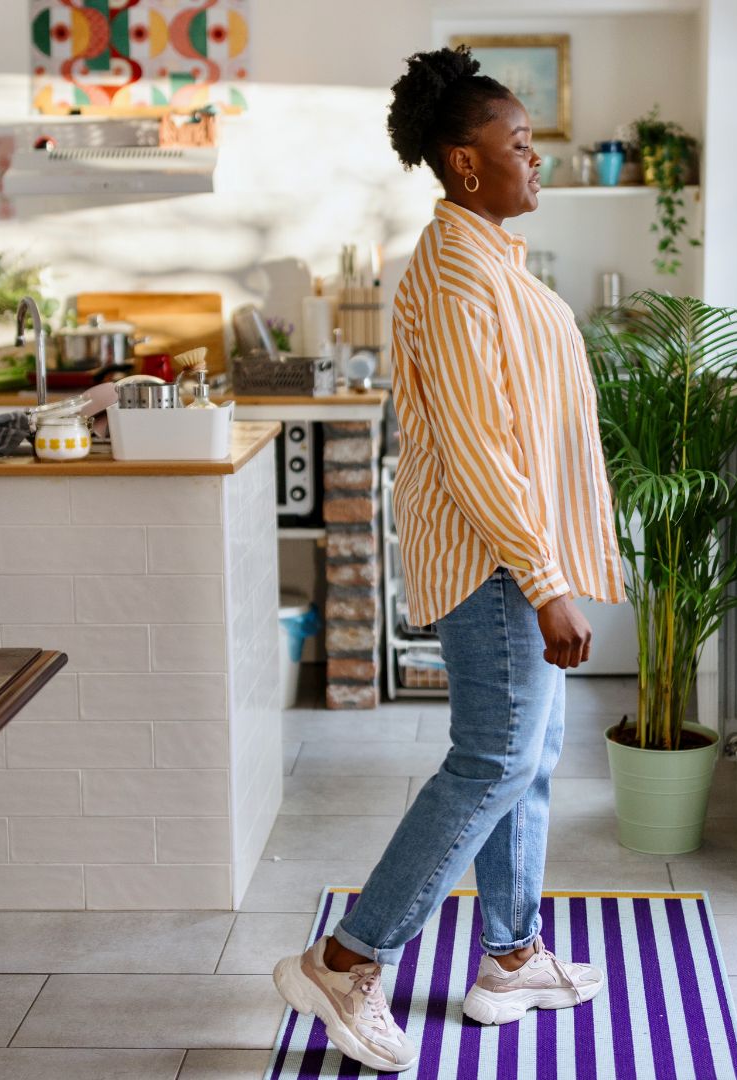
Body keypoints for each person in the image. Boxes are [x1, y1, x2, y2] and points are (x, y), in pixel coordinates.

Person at [270, 45, 628, 1073]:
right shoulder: (458, 275)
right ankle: (346, 961)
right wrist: (547, 580)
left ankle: (509, 958)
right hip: (493, 560)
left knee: (530, 760)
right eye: (520, 144)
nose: (538, 158)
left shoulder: (490, 260)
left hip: (513, 552)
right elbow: (479, 448)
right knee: (493, 761)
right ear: (466, 164)